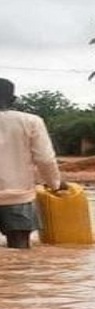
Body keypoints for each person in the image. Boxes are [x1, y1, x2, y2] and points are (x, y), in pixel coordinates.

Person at [0, 78, 65, 249]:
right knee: (20, 254)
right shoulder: (31, 121)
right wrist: (55, 184)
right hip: (18, 197)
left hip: (19, 196)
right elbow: (45, 159)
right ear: (14, 100)